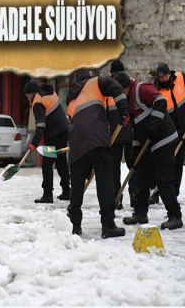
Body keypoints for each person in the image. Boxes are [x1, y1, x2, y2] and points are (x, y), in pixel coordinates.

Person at [66, 70, 128, 238]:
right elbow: (115, 86)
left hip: (77, 145)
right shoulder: (95, 82)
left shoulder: (71, 100)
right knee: (105, 182)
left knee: (77, 187)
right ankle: (108, 226)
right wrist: (124, 110)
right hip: (97, 140)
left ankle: (75, 226)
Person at [119, 71, 183, 230]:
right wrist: (134, 154)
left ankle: (175, 216)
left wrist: (154, 124)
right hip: (148, 144)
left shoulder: (141, 89)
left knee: (163, 179)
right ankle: (140, 213)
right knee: (141, 177)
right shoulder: (127, 101)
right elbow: (137, 130)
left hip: (164, 140)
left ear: (126, 86)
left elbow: (160, 102)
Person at [24, 79, 71, 204]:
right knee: (61, 162)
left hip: (54, 134)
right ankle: (67, 191)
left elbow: (40, 125)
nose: (28, 98)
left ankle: (48, 194)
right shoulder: (48, 92)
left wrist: (33, 144)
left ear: (31, 93)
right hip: (64, 130)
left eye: (27, 95)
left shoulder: (37, 101)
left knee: (47, 164)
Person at [147, 63, 185, 205]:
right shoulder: (157, 92)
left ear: (170, 73)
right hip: (168, 135)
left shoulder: (180, 78)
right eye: (161, 76)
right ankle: (156, 193)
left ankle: (174, 194)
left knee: (178, 165)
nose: (163, 78)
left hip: (183, 133)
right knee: (164, 164)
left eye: (165, 75)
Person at [107, 60, 135, 210]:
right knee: (130, 167)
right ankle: (130, 197)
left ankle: (120, 198)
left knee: (116, 168)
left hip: (120, 132)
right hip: (123, 133)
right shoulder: (127, 85)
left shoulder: (110, 87)